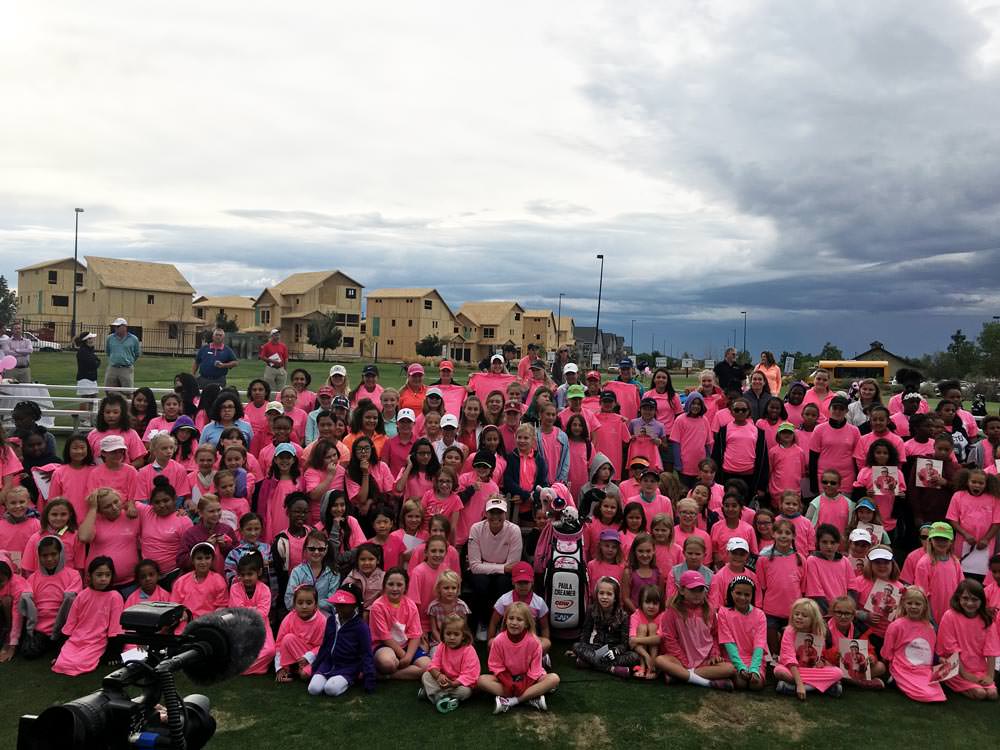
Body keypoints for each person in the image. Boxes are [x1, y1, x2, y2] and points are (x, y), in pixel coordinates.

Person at [655, 570, 735, 689]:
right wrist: (684, 661)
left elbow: (714, 635)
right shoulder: (672, 612)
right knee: (660, 660)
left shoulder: (710, 610)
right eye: (692, 590)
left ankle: (680, 675)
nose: (697, 594)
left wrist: (714, 654)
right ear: (682, 590)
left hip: (705, 661)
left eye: (700, 590)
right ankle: (707, 683)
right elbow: (670, 639)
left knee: (730, 669)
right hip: (680, 660)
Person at [478, 602, 560, 713]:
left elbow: (535, 670)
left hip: (529, 678)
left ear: (526, 623)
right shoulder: (498, 641)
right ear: (506, 620)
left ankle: (512, 701)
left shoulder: (534, 641)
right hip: (507, 677)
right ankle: (531, 697)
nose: (514, 623)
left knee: (554, 678)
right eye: (511, 618)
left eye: (519, 620)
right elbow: (495, 665)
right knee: (481, 680)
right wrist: (508, 682)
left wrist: (524, 684)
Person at [51, 557, 124, 675]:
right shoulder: (82, 595)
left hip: (97, 641)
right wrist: (59, 650)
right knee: (62, 663)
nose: (104, 579)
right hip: (77, 638)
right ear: (90, 576)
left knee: (79, 664)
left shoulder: (115, 597)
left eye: (107, 575)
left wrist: (112, 653)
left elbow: (115, 628)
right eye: (99, 575)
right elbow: (70, 623)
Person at [468, 497, 522, 640]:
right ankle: (483, 622)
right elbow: (474, 566)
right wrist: (503, 568)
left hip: (497, 572)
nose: (496, 516)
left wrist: (491, 567)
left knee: (503, 584)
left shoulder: (514, 530)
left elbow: (514, 564)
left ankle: (499, 623)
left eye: (500, 512)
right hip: (490, 571)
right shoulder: (476, 529)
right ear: (486, 513)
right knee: (481, 584)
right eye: (492, 512)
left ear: (505, 514)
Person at [936, 580, 999, 700]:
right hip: (956, 667)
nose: (969, 603)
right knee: (980, 694)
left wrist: (990, 676)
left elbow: (991, 649)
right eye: (965, 598)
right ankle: (950, 682)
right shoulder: (950, 616)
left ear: (982, 601)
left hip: (979, 668)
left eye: (975, 599)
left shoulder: (987, 619)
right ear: (958, 598)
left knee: (992, 694)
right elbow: (950, 648)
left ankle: (976, 685)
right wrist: (965, 674)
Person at [308, 584, 376, 695]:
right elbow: (325, 646)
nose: (339, 607)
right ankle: (327, 677)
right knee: (313, 689)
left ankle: (349, 680)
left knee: (331, 689)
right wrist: (315, 669)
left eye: (344, 605)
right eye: (338, 604)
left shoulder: (361, 627)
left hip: (348, 667)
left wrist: (369, 681)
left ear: (354, 605)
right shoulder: (331, 621)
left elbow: (366, 653)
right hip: (328, 664)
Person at [881, 586, 946, 702]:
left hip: (923, 669)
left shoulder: (929, 628)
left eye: (917, 604)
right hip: (902, 667)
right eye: (909, 603)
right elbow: (887, 652)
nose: (913, 607)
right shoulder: (896, 626)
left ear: (924, 606)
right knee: (925, 694)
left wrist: (939, 659)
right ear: (904, 604)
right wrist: (890, 666)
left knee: (936, 693)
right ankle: (895, 679)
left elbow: (929, 651)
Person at [774, 598, 843, 699]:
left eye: (804, 616)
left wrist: (821, 662)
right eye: (797, 614)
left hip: (811, 670)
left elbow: (821, 656)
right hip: (792, 669)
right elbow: (789, 659)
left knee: (838, 673)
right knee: (778, 671)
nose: (799, 617)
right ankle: (825, 687)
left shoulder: (819, 632)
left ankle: (793, 688)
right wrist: (800, 684)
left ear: (813, 619)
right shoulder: (789, 631)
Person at [572, 576, 639, 677]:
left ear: (615, 597)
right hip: (595, 648)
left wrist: (615, 651)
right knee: (576, 646)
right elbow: (585, 633)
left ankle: (588, 663)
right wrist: (582, 650)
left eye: (609, 594)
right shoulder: (591, 610)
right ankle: (611, 669)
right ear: (597, 594)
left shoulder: (623, 615)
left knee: (634, 657)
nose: (604, 597)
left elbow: (624, 643)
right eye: (601, 593)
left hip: (612, 651)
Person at [227, 553, 276, 675]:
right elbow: (238, 612)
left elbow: (263, 613)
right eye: (243, 575)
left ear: (259, 572)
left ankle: (239, 668)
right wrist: (254, 609)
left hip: (261, 627)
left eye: (250, 574)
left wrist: (246, 609)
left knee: (270, 651)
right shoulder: (235, 588)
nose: (246, 578)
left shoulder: (265, 589)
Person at [421, 613, 480, 712]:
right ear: (443, 634)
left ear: (463, 636)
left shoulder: (468, 650)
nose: (452, 637)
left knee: (465, 692)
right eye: (448, 634)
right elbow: (433, 665)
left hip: (459, 684)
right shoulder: (441, 646)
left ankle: (432, 693)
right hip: (444, 680)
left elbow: (469, 675)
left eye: (456, 634)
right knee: (426, 676)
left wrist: (453, 683)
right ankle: (442, 698)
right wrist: (438, 676)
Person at [717, 576, 767, 691]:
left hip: (754, 658)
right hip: (733, 657)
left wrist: (754, 668)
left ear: (752, 596)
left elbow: (759, 644)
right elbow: (728, 642)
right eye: (738, 593)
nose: (742, 598)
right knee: (741, 683)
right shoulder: (723, 612)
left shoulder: (760, 615)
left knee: (756, 684)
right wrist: (740, 667)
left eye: (747, 595)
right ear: (731, 592)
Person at [274, 584, 326, 683]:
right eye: (300, 603)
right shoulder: (289, 618)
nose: (304, 606)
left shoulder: (322, 621)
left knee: (304, 675)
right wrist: (279, 668)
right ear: (294, 604)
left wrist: (308, 657)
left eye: (309, 603)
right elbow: (279, 644)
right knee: (288, 638)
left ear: (316, 604)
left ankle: (300, 669)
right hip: (296, 653)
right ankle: (287, 669)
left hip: (314, 656)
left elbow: (324, 646)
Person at [104, 317, 141, 389]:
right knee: (109, 390)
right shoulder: (110, 338)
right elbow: (108, 352)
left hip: (126, 368)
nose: (116, 328)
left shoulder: (134, 339)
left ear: (125, 327)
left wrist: (130, 361)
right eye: (115, 326)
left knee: (127, 391)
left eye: (118, 326)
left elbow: (137, 354)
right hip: (113, 367)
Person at [73, 331, 100, 422]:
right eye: (90, 338)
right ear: (86, 340)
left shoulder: (89, 350)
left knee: (93, 398)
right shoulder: (83, 351)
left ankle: (92, 419)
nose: (92, 340)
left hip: (92, 378)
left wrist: (96, 362)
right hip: (85, 379)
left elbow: (97, 361)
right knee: (85, 398)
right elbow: (93, 363)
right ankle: (84, 420)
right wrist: (96, 362)